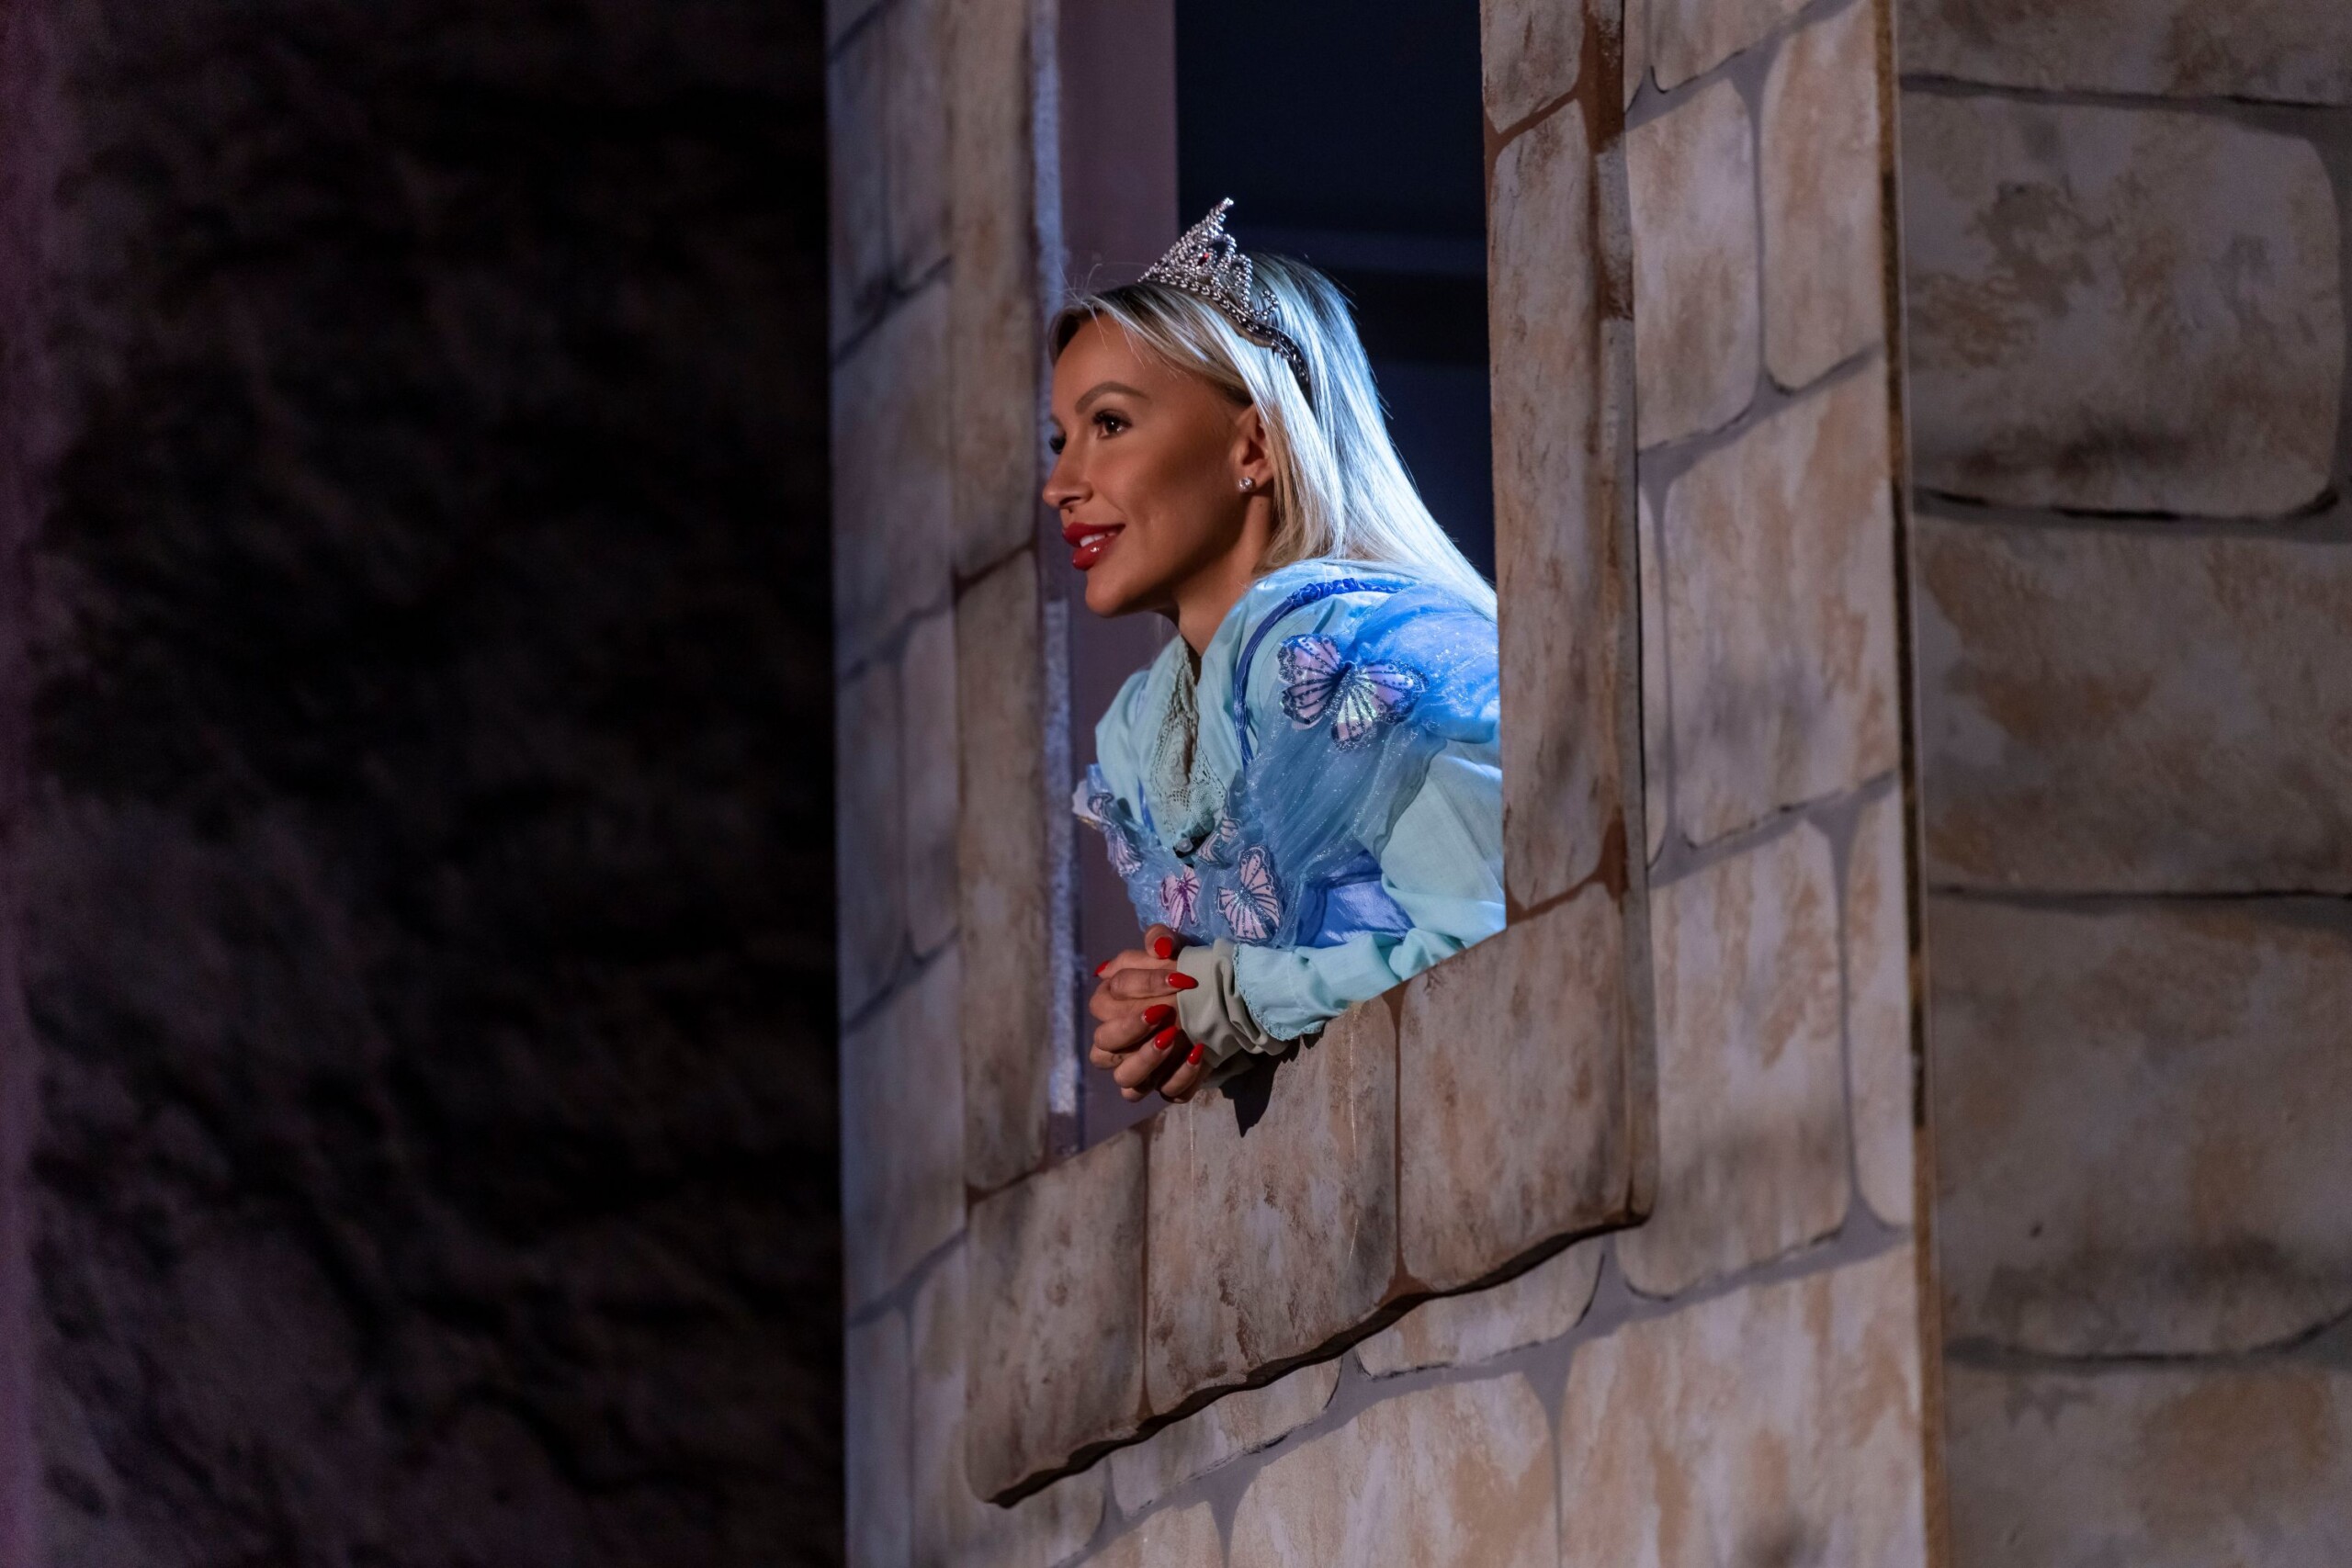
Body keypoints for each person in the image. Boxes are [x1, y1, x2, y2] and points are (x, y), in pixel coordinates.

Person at [1052, 200, 1503, 1107]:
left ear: (1253, 444)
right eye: (1060, 441)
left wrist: (1228, 999)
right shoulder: (1147, 728)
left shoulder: (1351, 652)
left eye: (1110, 425)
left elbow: (1492, 941)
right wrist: (1168, 1005)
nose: (1062, 485)